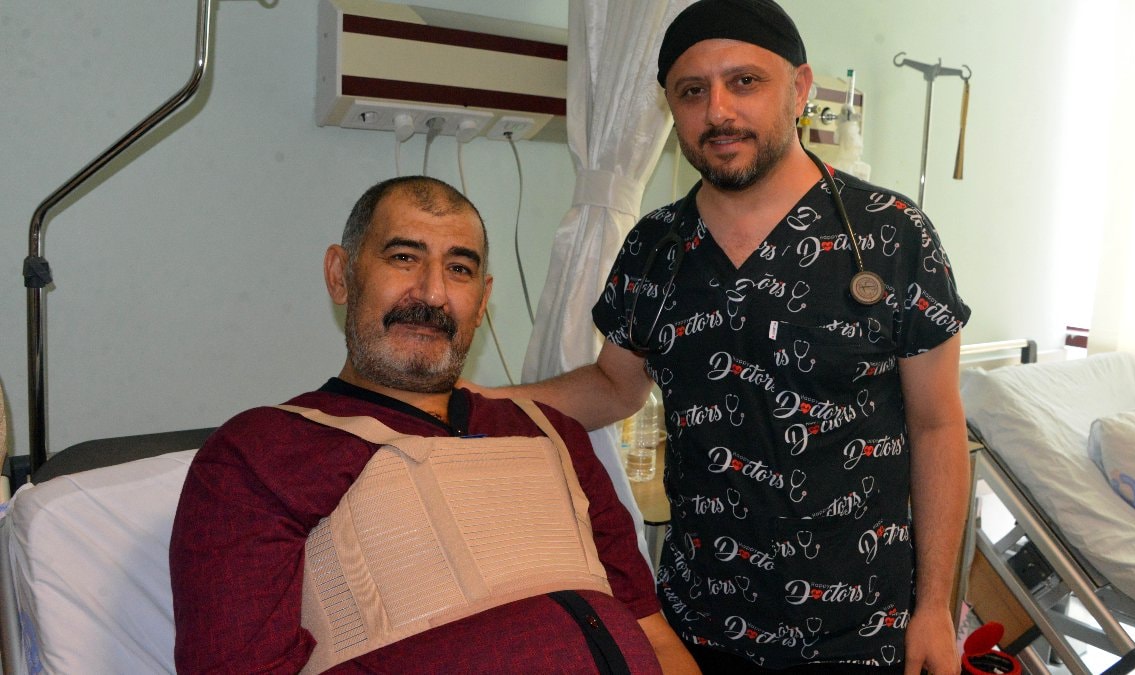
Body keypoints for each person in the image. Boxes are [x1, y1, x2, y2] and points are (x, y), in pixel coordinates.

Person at [466, 1, 971, 673]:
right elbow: (614, 386)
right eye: (692, 91)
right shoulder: (655, 248)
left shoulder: (891, 235)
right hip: (698, 627)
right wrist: (479, 404)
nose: (719, 111)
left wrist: (933, 605)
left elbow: (937, 425)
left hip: (860, 629)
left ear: (798, 89)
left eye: (745, 82)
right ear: (671, 107)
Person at [169, 176, 698, 674]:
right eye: (403, 258)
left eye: (460, 269)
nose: (432, 293)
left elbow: (652, 635)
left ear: (483, 301)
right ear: (340, 275)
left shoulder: (552, 434)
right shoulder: (261, 453)